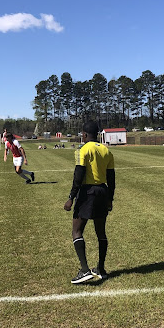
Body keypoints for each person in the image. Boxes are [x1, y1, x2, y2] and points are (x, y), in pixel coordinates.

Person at [64, 120, 115, 284]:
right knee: (101, 232)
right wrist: (110, 199)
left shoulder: (83, 150)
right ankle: (101, 268)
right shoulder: (106, 151)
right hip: (102, 191)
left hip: (87, 192)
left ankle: (84, 269)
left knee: (77, 231)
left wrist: (71, 197)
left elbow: (78, 176)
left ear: (84, 135)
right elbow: (111, 179)